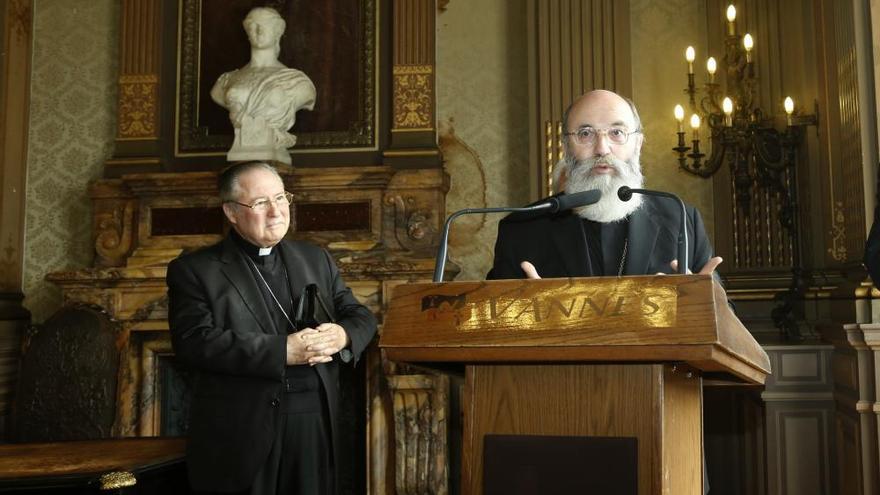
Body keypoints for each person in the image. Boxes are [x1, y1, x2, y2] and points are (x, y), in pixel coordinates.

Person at [166, 161, 376, 494]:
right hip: (243, 430)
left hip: (313, 423)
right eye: (261, 202)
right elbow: (194, 342)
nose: (276, 211)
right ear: (232, 212)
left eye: (281, 198)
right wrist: (283, 351)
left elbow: (360, 316)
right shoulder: (195, 270)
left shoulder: (315, 259)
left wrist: (342, 335)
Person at [488, 89, 723, 280]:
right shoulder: (522, 228)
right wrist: (525, 314)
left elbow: (726, 321)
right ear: (566, 147)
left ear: (638, 144)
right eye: (585, 133)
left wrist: (704, 304)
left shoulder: (681, 218)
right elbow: (491, 328)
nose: (602, 148)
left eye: (617, 132)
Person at [211, 7, 317, 164]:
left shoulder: (297, 82)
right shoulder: (226, 81)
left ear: (278, 31)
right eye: (252, 25)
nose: (258, 30)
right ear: (247, 31)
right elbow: (217, 95)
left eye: (265, 24)